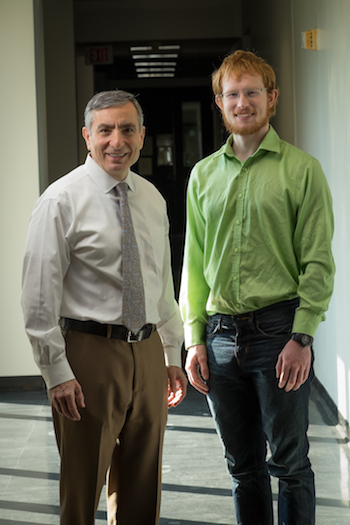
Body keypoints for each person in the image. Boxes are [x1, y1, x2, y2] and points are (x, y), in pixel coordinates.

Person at [180, 50, 335, 525]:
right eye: (232, 94)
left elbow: (318, 260)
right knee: (242, 468)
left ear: (272, 98)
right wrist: (195, 338)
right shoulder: (203, 175)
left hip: (279, 333)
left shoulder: (302, 170)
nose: (242, 102)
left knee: (290, 465)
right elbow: (194, 263)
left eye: (252, 93)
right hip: (221, 339)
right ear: (219, 103)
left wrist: (302, 337)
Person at [22, 89, 187, 525]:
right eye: (106, 130)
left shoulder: (152, 198)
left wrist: (172, 355)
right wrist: (56, 372)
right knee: (82, 486)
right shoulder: (60, 201)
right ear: (87, 136)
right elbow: (38, 298)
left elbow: (161, 283)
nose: (118, 140)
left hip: (148, 350)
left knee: (142, 482)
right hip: (88, 353)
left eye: (128, 129)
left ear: (142, 135)